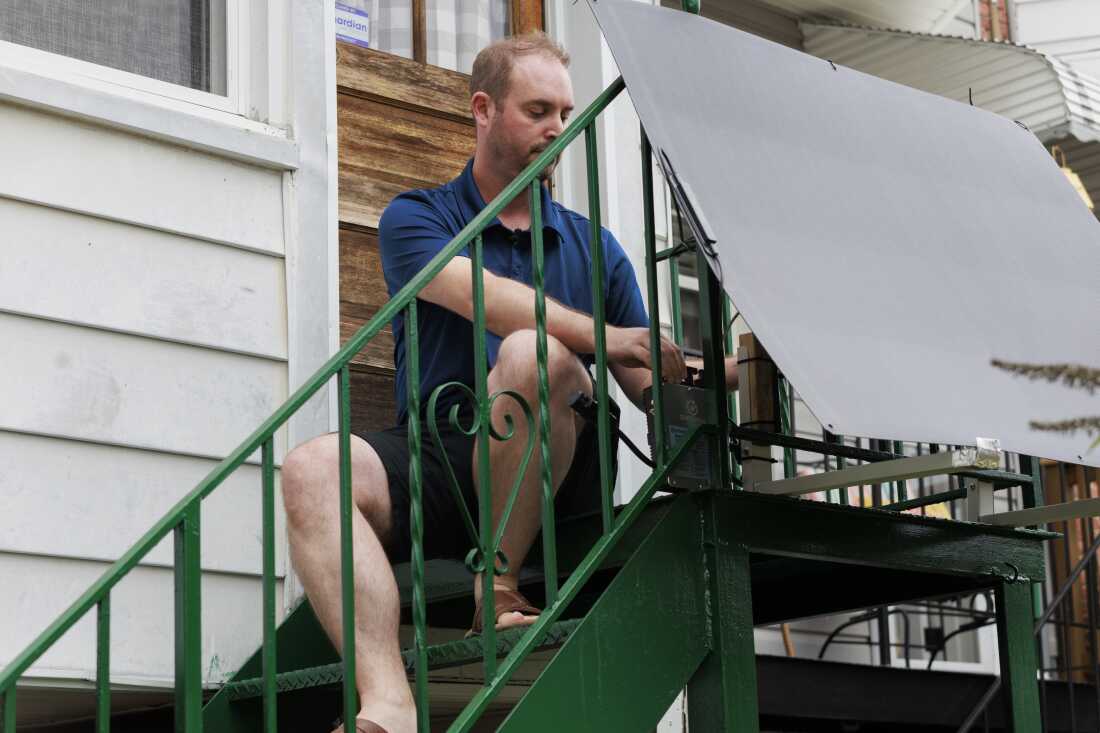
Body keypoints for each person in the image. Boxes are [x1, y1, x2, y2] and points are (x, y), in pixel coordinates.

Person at [280, 33, 686, 733]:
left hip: (560, 477)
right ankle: (388, 703)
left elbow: (647, 376)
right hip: (446, 460)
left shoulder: (597, 248)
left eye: (566, 113)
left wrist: (724, 378)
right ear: (483, 109)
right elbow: (479, 296)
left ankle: (495, 587)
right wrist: (607, 335)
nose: (558, 129)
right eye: (538, 110)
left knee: (532, 355)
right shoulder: (416, 216)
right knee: (312, 468)